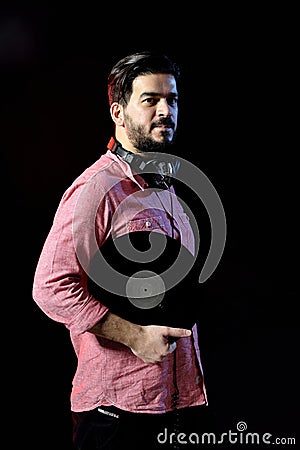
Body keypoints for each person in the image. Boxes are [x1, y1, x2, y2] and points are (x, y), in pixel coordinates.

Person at [32, 50, 215, 449]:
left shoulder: (166, 186)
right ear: (118, 111)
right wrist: (132, 335)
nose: (165, 111)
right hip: (116, 414)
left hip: (174, 403)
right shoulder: (95, 189)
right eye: (150, 100)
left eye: (172, 100)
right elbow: (50, 286)